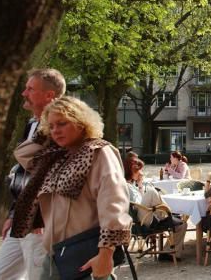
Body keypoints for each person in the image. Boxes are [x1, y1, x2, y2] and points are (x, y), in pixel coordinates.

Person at [12, 96, 131, 279]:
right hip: (54, 255)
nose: (55, 131)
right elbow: (22, 153)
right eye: (51, 126)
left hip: (85, 256)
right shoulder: (56, 157)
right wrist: (46, 128)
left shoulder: (99, 152)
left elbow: (114, 203)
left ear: (81, 122)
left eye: (62, 123)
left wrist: (105, 254)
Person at [0, 68, 65, 280]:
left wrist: (41, 217)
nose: (24, 93)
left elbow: (55, 175)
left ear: (49, 96)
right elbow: (24, 175)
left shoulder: (60, 128)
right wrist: (13, 213)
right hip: (21, 219)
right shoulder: (31, 124)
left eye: (30, 89)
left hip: (40, 224)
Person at [124, 156, 186, 260]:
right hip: (140, 219)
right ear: (131, 170)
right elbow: (134, 205)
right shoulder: (125, 185)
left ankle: (167, 253)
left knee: (183, 224)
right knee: (151, 191)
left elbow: (140, 200)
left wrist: (139, 185)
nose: (140, 172)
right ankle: (168, 213)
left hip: (145, 214)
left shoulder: (132, 185)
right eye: (138, 170)